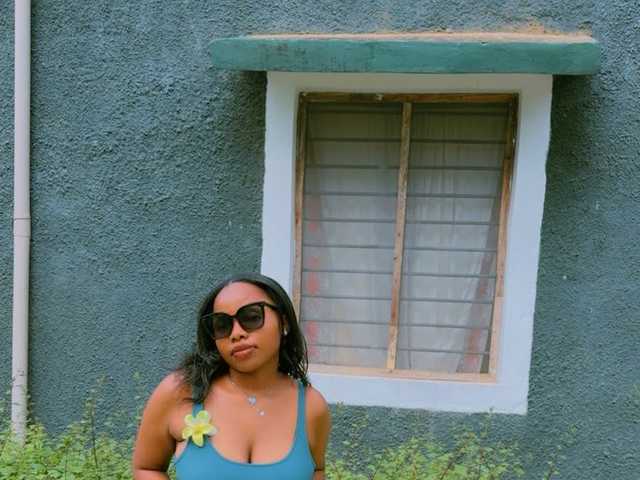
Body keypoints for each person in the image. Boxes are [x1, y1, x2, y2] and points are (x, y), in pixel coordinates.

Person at [132, 273, 331, 479]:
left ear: (284, 322)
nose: (236, 333)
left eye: (252, 317)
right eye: (222, 325)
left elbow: (316, 471)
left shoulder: (311, 407)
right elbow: (147, 468)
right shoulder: (180, 392)